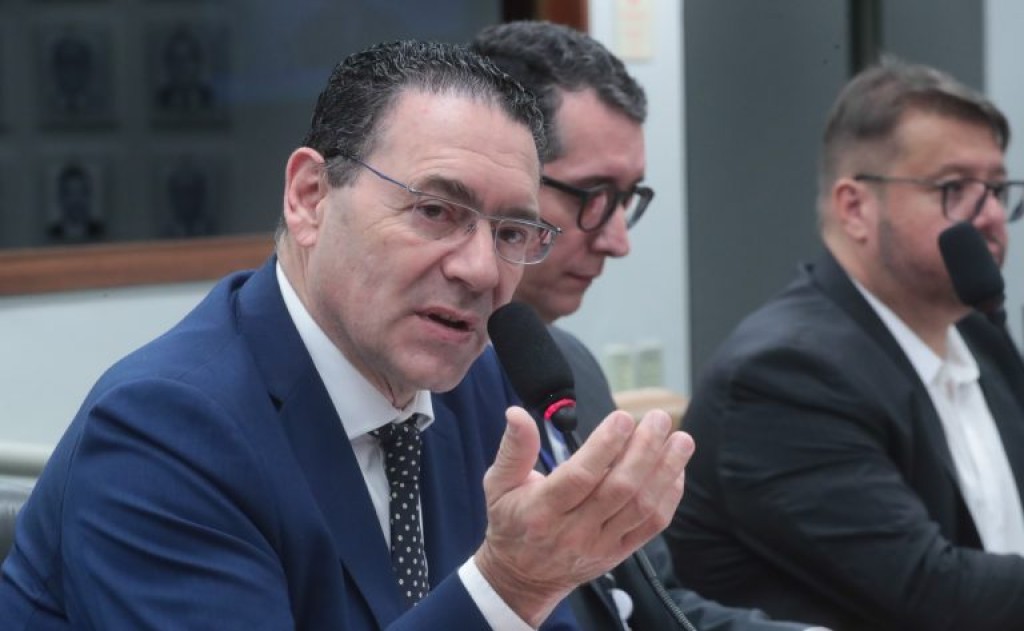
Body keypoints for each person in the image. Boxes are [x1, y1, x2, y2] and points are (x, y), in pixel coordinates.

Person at [0, 40, 694, 629]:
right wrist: (510, 585)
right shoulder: (164, 429)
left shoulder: (481, 380)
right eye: (435, 210)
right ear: (309, 197)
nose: (481, 270)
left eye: (512, 232)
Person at [472, 20, 824, 631]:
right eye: (592, 195)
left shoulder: (569, 366)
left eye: (627, 198)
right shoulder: (417, 396)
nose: (618, 241)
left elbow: (653, 607)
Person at [664, 57, 1024, 631]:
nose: (991, 218)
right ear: (855, 208)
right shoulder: (785, 373)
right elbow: (933, 595)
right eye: (954, 189)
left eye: (998, 189)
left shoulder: (980, 334)